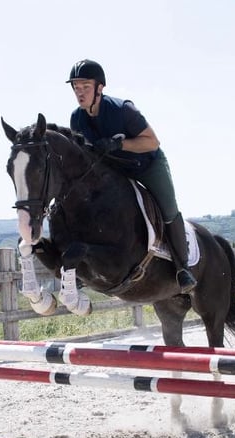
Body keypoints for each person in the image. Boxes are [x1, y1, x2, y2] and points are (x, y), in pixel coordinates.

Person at [67, 59, 197, 294]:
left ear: (99, 88)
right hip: (116, 171)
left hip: (147, 164)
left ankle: (182, 268)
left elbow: (152, 142)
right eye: (76, 87)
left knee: (168, 211)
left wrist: (120, 144)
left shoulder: (123, 109)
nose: (80, 92)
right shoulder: (77, 118)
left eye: (85, 87)